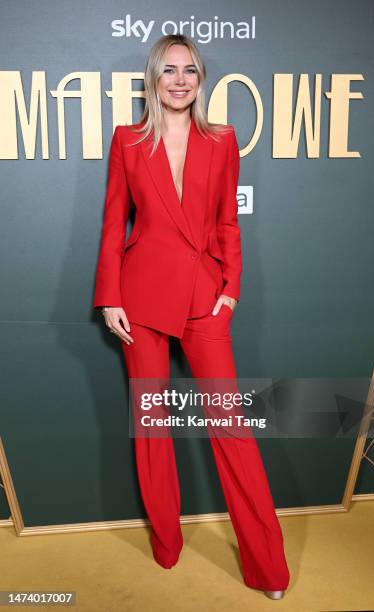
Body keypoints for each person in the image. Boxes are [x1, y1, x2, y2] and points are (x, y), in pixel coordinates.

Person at [93, 33, 290, 599]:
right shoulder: (128, 140)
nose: (180, 81)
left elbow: (228, 222)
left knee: (231, 429)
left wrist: (229, 290)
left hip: (205, 300)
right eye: (169, 70)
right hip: (141, 299)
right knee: (152, 428)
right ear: (153, 77)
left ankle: (267, 569)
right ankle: (166, 545)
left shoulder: (223, 139)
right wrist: (110, 298)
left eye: (190, 71)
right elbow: (114, 226)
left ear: (201, 80)